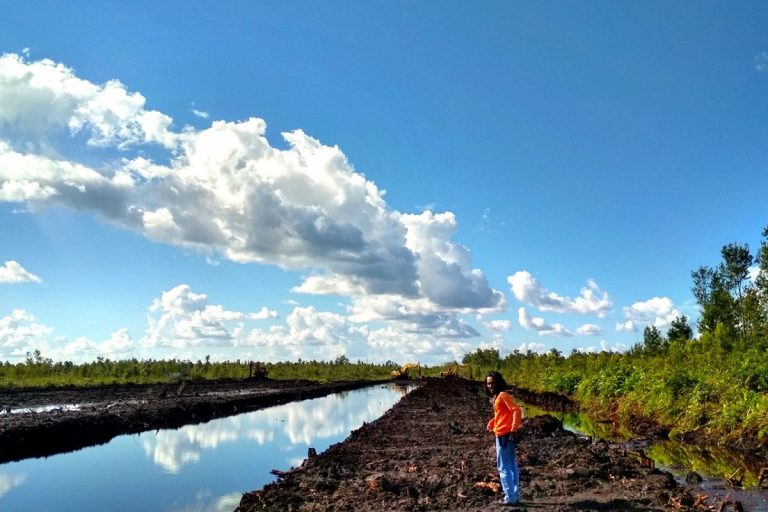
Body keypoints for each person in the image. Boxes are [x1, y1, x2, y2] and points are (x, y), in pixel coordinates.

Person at [486, 371, 523, 505]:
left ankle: (510, 498)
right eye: (488, 383)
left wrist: (513, 428)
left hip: (504, 434)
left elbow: (516, 410)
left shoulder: (502, 395)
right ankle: (514, 495)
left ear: (499, 382)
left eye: (493, 382)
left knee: (503, 467)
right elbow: (503, 414)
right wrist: (493, 422)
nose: (490, 385)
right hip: (504, 432)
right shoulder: (497, 397)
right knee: (511, 465)